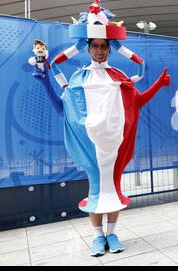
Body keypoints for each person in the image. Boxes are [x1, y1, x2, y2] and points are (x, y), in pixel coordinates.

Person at [34, 37, 170, 256]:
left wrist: (158, 85)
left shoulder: (119, 76)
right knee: (96, 190)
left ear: (109, 49)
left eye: (104, 46)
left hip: (115, 146)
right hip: (90, 146)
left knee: (114, 189)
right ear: (88, 49)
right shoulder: (79, 76)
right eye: (95, 46)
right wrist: (45, 84)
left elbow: (136, 102)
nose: (99, 50)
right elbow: (64, 109)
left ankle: (112, 233)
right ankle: (98, 236)